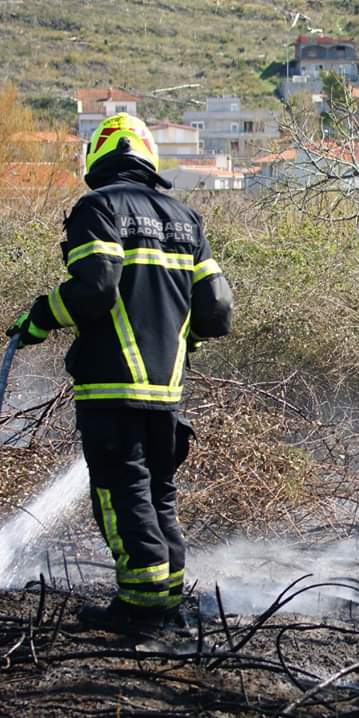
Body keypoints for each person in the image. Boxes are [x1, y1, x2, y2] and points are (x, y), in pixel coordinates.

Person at [6, 112, 233, 638]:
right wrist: (183, 339)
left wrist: (38, 318)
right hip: (167, 392)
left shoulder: (97, 207)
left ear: (97, 160)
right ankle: (166, 600)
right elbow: (218, 311)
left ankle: (142, 611)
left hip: (112, 386)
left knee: (122, 493)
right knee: (158, 494)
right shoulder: (185, 218)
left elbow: (95, 288)